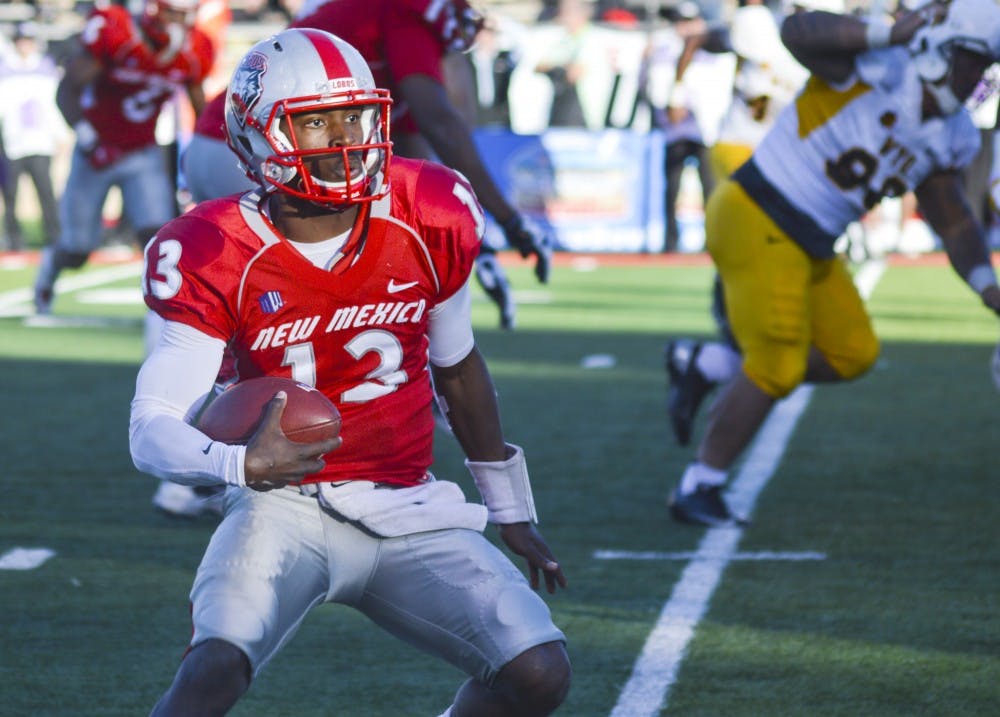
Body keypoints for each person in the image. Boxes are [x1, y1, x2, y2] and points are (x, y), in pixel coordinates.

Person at [129, 28, 571, 717]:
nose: (346, 139)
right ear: (259, 137)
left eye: (355, 116)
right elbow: (150, 428)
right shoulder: (213, 245)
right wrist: (240, 464)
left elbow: (456, 366)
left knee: (539, 671)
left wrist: (509, 505)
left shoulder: (430, 208)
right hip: (283, 504)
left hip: (406, 500)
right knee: (212, 670)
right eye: (315, 122)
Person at [667, 0, 1000, 527]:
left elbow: (954, 220)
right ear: (944, 46)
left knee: (852, 354)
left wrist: (987, 287)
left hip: (812, 239)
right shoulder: (883, 66)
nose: (980, 79)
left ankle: (708, 365)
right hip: (758, 212)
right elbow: (798, 30)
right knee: (776, 363)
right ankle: (698, 485)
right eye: (977, 62)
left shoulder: (952, 133)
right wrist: (885, 32)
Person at [663, 0, 811, 445]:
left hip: (773, 157)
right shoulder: (757, 22)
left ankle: (708, 359)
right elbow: (700, 37)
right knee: (750, 256)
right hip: (741, 152)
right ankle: (725, 340)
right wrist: (676, 92)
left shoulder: (803, 34)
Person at [32, 0, 215, 315]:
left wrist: (208, 149)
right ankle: (50, 267)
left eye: (187, 16)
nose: (181, 23)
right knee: (77, 250)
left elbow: (201, 111)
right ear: (155, 10)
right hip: (97, 153)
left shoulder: (193, 49)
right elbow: (67, 90)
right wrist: (86, 133)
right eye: (175, 13)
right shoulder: (119, 33)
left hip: (143, 152)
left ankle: (167, 311)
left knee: (158, 236)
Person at [0, 21, 66, 251]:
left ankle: (54, 236)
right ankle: (13, 239)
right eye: (21, 40)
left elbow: (52, 105)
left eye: (28, 40)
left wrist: (59, 134)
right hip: (12, 143)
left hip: (39, 142)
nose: (24, 45)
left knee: (46, 192)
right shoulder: (5, 69)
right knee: (10, 195)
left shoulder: (45, 68)